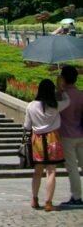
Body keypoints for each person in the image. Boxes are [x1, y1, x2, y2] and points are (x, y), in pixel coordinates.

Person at [24, 78, 70, 212]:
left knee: (37, 171)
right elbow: (68, 102)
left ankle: (34, 199)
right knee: (51, 171)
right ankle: (48, 202)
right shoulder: (55, 105)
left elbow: (27, 126)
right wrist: (62, 90)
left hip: (37, 139)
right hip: (52, 138)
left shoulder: (31, 105)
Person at [58, 65, 83, 207]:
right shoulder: (80, 94)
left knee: (72, 167)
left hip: (67, 135)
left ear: (64, 78)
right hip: (81, 132)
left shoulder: (62, 95)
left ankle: (77, 196)